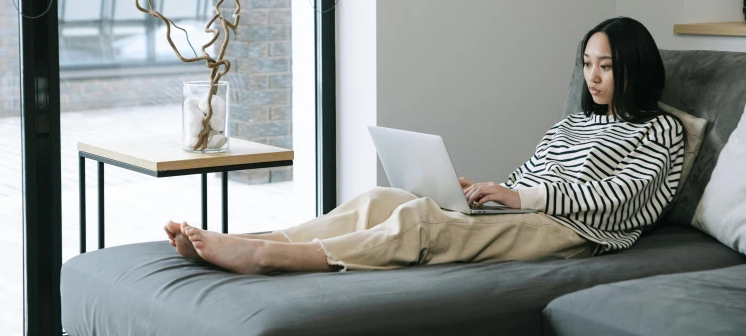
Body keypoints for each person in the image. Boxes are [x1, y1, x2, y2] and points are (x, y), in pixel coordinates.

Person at [164, 16, 685, 274]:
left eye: (607, 66)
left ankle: (268, 257)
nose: (592, 77)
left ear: (634, 67)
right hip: (525, 213)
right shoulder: (571, 124)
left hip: (576, 232)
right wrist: (484, 191)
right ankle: (269, 236)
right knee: (380, 199)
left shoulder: (661, 131)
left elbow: (623, 202)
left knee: (423, 224)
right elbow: (528, 181)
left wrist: (517, 199)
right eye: (588, 63)